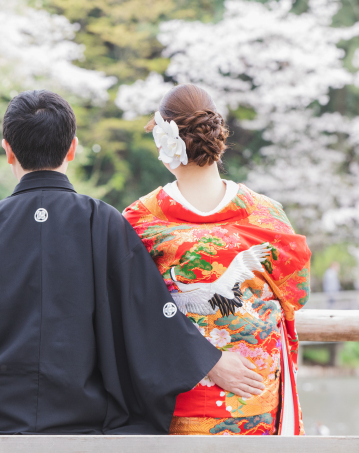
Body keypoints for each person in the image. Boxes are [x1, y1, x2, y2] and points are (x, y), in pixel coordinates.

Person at [0, 89, 264, 435]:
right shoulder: (103, 223)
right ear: (72, 148)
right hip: (82, 418)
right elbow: (150, 314)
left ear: (8, 151)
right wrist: (210, 360)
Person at [123, 84, 312, 436]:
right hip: (254, 395)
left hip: (175, 403)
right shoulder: (267, 216)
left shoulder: (139, 222)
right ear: (217, 139)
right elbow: (296, 293)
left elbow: (131, 313)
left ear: (166, 147)